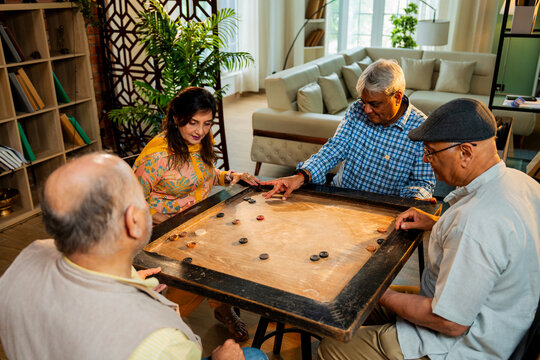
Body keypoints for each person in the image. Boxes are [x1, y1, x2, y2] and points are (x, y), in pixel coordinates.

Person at [317, 98, 540, 360]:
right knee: (348, 305)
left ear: (465, 153)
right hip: (500, 318)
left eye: (432, 151)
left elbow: (449, 322)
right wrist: (438, 223)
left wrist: (376, 293)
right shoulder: (522, 183)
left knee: (332, 347)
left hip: (458, 346)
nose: (425, 158)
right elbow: (497, 247)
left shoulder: (474, 222)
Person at [0, 153, 267, 360]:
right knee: (254, 355)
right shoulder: (161, 342)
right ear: (133, 221)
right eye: (141, 197)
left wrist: (123, 279)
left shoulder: (28, 256)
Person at [132, 87, 258, 342]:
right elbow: (130, 202)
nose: (200, 131)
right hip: (161, 232)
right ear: (177, 118)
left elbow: (206, 174)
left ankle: (221, 309)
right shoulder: (156, 157)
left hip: (197, 223)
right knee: (207, 265)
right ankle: (166, 325)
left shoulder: (200, 143)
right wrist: (160, 219)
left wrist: (230, 176)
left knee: (233, 250)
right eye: (193, 123)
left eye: (206, 123)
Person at [261, 59, 435, 201]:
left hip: (386, 208)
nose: (366, 110)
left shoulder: (423, 129)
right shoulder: (356, 109)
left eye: (374, 104)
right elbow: (335, 148)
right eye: (364, 102)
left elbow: (423, 182)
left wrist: (415, 201)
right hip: (342, 197)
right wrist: (301, 176)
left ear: (397, 97)